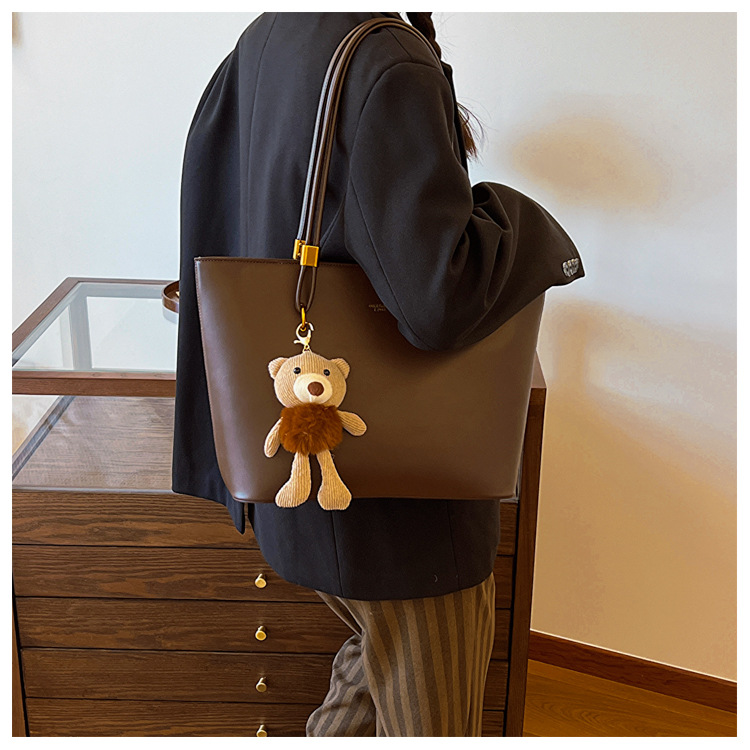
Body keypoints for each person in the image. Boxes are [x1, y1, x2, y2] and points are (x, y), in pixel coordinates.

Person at [172, 11, 585, 737]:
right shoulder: (387, 60)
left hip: (308, 479)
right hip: (402, 516)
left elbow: (220, 212)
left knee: (369, 677)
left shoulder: (272, 32)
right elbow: (439, 298)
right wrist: (524, 223)